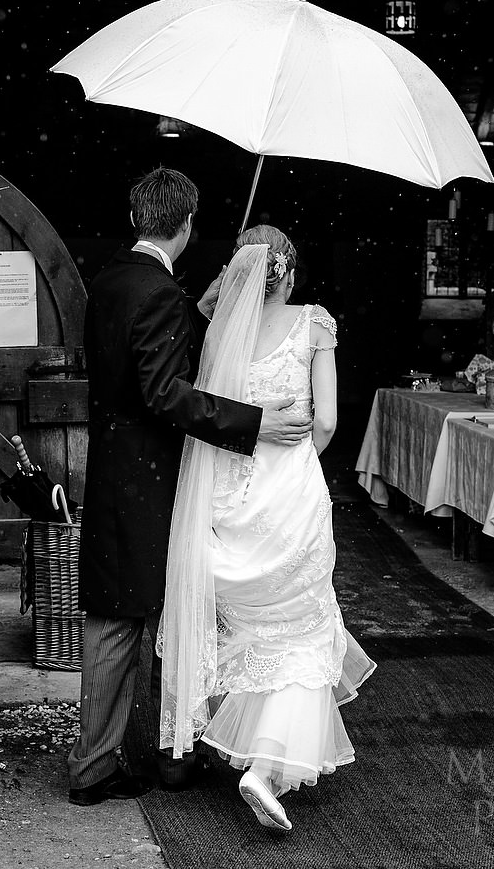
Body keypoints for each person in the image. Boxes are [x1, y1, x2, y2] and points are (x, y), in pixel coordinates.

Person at [67, 171, 313, 807]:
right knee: (132, 617)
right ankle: (101, 766)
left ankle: (136, 753)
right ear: (187, 226)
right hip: (143, 479)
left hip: (115, 467)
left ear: (136, 216)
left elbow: (137, 364)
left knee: (124, 611)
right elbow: (164, 392)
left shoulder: (112, 279)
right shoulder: (157, 293)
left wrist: (196, 314)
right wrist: (257, 425)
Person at [159, 225, 375, 832]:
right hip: (291, 497)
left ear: (241, 272)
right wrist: (300, 459)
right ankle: (267, 766)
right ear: (291, 270)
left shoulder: (222, 331)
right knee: (304, 632)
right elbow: (327, 421)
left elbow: (212, 405)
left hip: (233, 496)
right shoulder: (314, 323)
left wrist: (228, 288)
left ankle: (256, 753)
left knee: (258, 634)